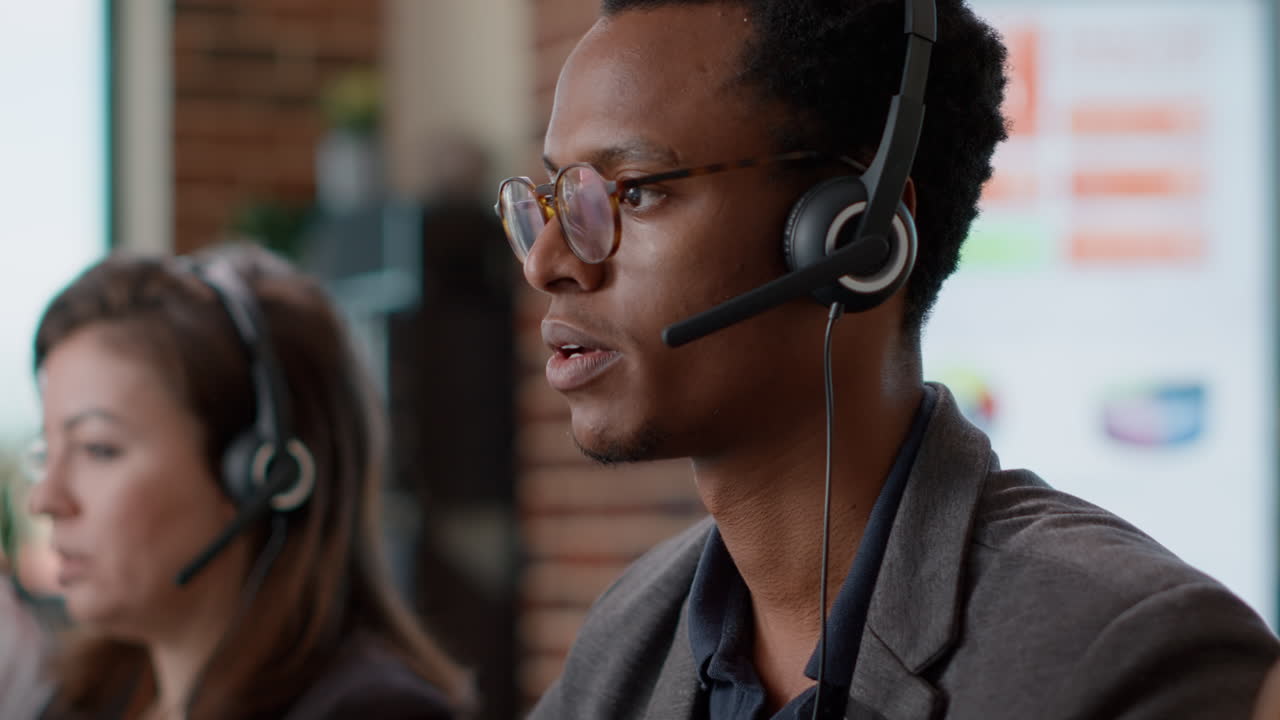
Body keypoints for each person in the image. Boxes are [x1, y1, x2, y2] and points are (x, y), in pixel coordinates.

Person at [498, 0, 1280, 718]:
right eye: (556, 199)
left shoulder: (1126, 654)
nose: (550, 264)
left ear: (853, 238)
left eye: (631, 193)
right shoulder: (627, 643)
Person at [28, 243, 469, 719]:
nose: (45, 499)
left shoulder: (372, 711)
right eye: (46, 452)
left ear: (263, 473)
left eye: (98, 448)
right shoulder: (84, 698)